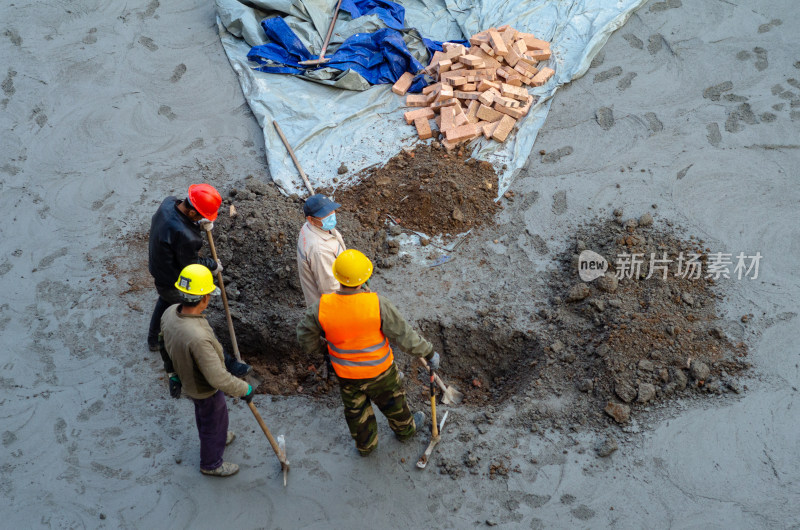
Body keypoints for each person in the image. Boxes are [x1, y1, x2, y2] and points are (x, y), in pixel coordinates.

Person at [296, 249, 441, 457]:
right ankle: (405, 430)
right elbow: (404, 336)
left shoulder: (321, 308)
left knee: (356, 412)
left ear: (337, 276)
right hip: (381, 374)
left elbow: (305, 339)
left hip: (347, 377)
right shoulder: (377, 304)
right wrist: (428, 352)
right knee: (394, 403)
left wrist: (326, 350)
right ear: (365, 278)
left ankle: (366, 445)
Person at [161, 264, 255, 477]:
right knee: (214, 418)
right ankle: (211, 463)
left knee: (205, 416)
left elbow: (162, 344)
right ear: (204, 299)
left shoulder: (169, 313)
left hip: (188, 378)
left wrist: (173, 375)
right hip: (204, 388)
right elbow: (217, 377)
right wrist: (244, 389)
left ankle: (216, 437)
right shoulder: (197, 337)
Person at [147, 183, 250, 378]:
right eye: (201, 216)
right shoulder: (186, 236)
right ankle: (228, 363)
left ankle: (153, 339)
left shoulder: (168, 203)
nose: (203, 219)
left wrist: (197, 225)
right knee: (198, 321)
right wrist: (211, 264)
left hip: (159, 268)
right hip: (174, 278)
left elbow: (178, 232)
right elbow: (191, 265)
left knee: (165, 299)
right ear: (193, 213)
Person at [296, 194, 346, 307]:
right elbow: (330, 290)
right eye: (324, 214)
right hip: (330, 309)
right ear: (310, 219)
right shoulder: (319, 250)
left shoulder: (311, 227)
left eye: (331, 211)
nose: (331, 215)